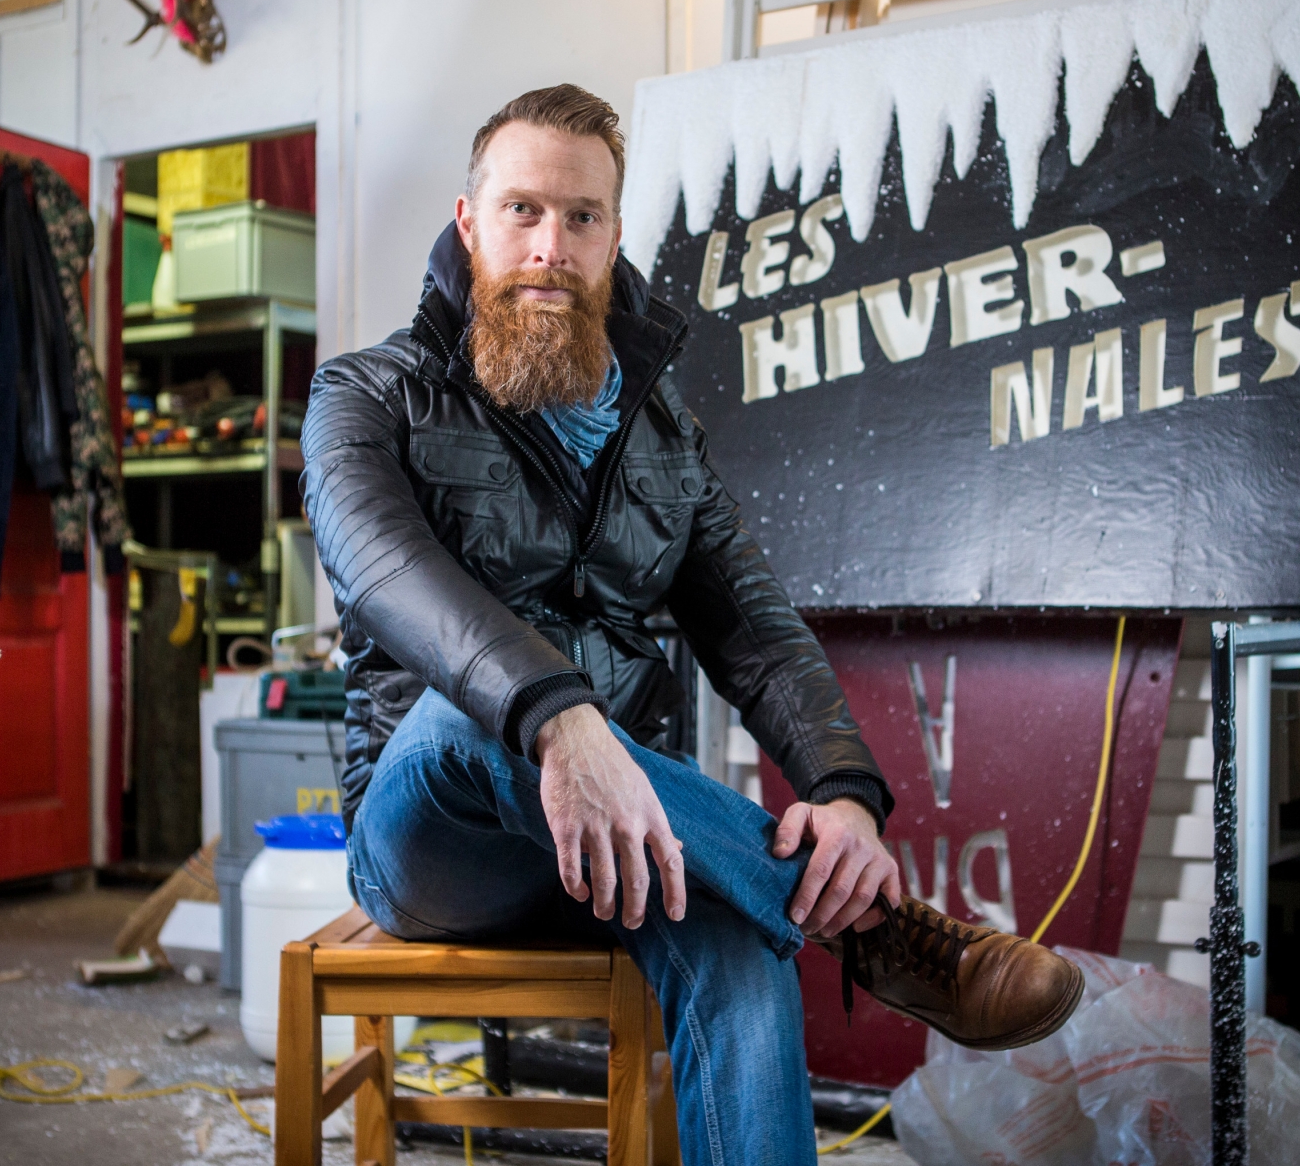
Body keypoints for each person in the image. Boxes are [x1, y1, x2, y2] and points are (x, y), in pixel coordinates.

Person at [303, 84, 1083, 1165]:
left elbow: (754, 629)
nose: (549, 245)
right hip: (437, 840)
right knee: (460, 717)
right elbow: (387, 572)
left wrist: (845, 793)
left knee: (738, 943)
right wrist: (559, 721)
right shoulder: (362, 394)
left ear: (614, 237)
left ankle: (811, 895)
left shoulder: (663, 434)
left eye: (580, 218)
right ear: (468, 221)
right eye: (522, 211)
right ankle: (871, 927)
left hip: (629, 838)